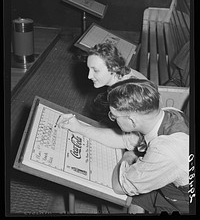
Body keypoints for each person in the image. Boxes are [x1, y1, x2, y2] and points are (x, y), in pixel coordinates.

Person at [58, 79, 189, 215]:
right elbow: (124, 139)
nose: (112, 119)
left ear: (132, 120)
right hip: (168, 185)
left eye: (114, 116)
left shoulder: (165, 151)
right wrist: (78, 127)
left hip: (181, 204)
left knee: (112, 202)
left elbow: (120, 186)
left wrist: (127, 157)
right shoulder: (168, 114)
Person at [86, 42, 147, 124]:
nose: (89, 76)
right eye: (89, 69)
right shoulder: (124, 73)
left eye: (96, 70)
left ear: (114, 68)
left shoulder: (126, 95)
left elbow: (130, 135)